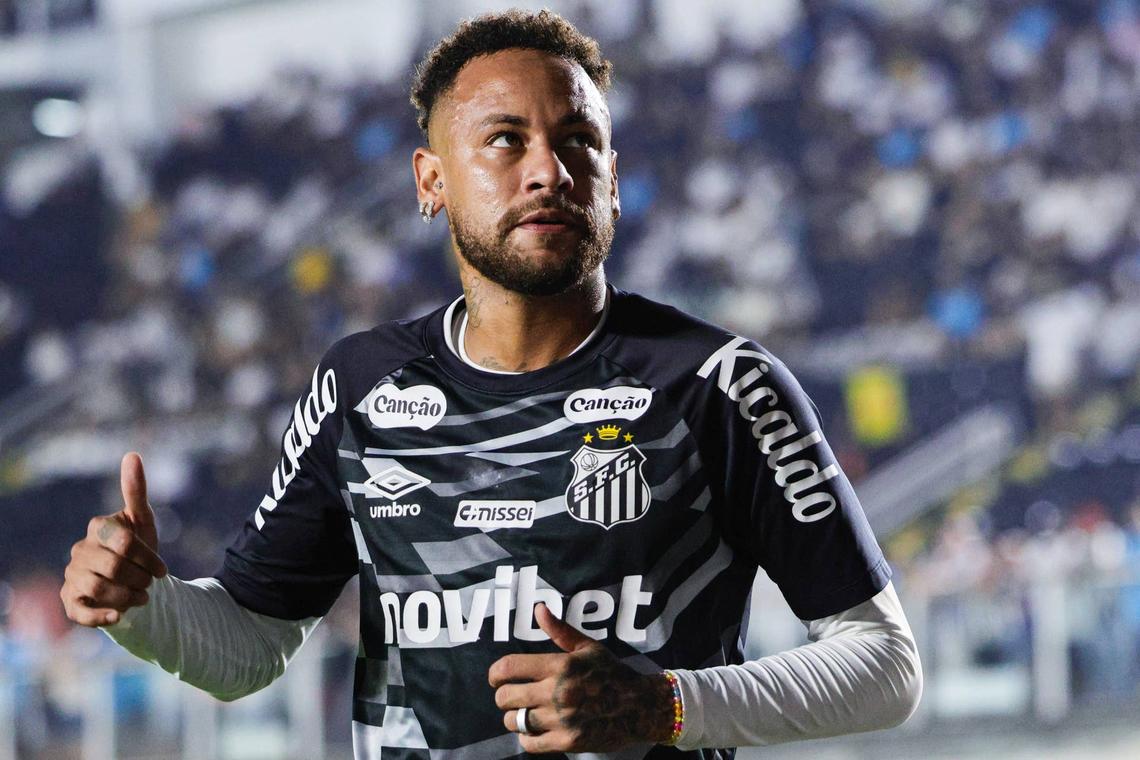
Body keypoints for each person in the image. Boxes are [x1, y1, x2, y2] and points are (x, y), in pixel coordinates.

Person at [60, 10, 921, 758]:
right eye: (506, 140)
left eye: (578, 141)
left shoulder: (719, 384)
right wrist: (147, 610)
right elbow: (250, 645)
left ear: (614, 182)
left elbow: (885, 664)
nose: (548, 170)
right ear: (432, 182)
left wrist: (661, 706)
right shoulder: (361, 384)